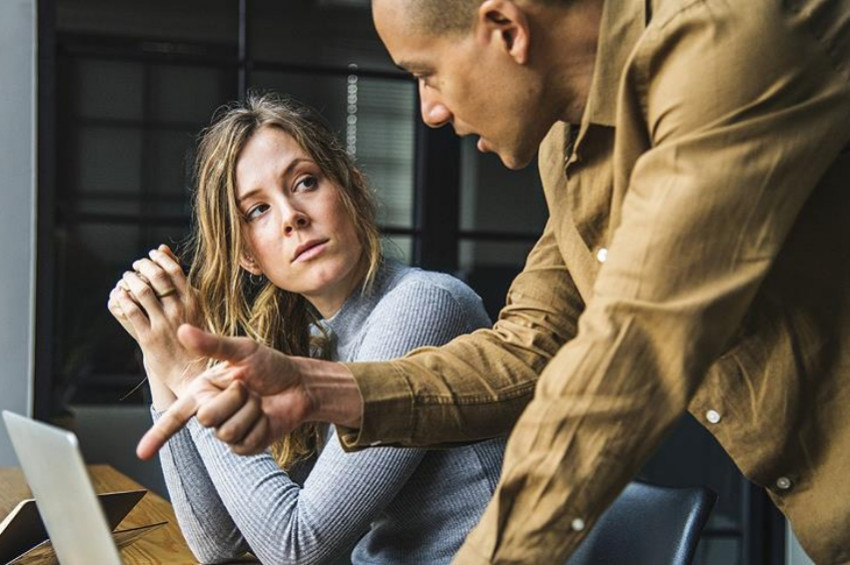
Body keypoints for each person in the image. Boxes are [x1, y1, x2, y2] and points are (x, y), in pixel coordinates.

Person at [139, 0, 850, 563]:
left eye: (427, 72)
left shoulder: (728, 54)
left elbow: (628, 357)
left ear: (504, 28)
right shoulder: (570, 151)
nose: (431, 110)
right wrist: (318, 386)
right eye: (258, 211)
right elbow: (528, 347)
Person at [109, 94, 506, 564]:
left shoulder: (423, 305)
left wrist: (192, 373)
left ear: (353, 190)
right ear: (247, 256)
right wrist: (160, 350)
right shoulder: (317, 343)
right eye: (257, 210)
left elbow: (297, 549)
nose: (291, 216)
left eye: (305, 182)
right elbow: (218, 545)